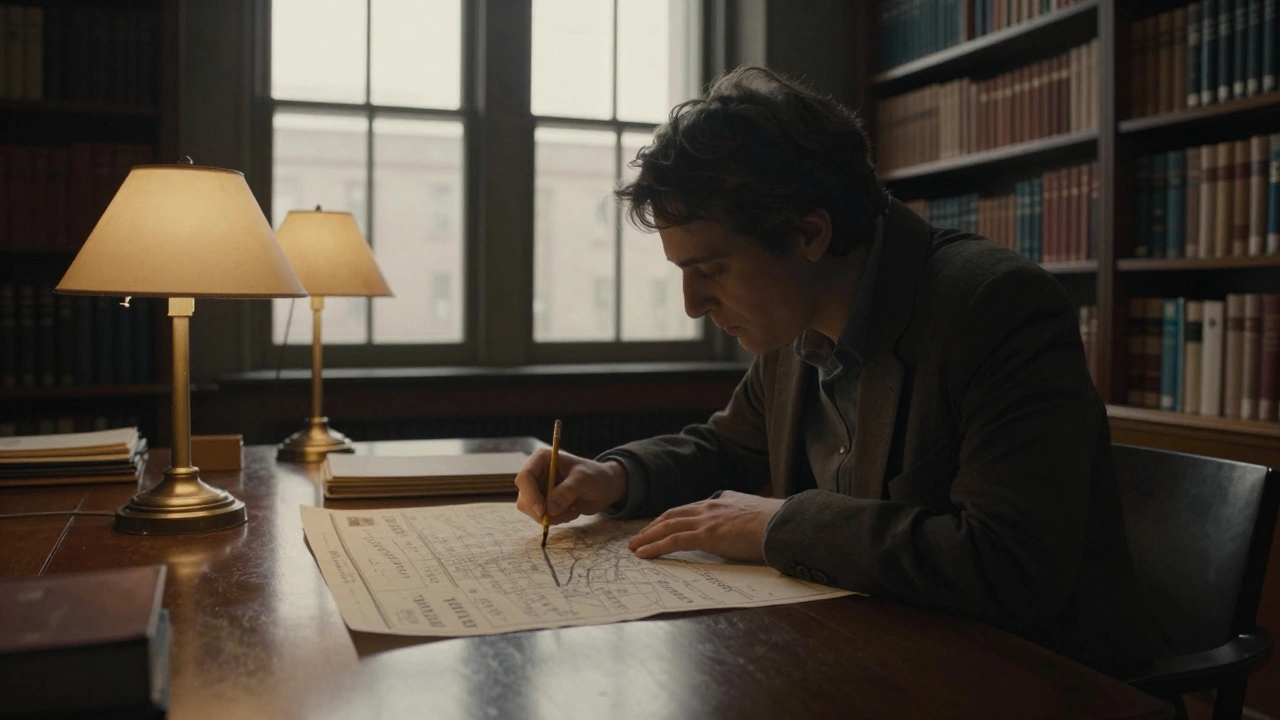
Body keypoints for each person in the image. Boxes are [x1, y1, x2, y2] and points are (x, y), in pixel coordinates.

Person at [513, 65, 1164, 680]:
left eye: (710, 270)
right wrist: (613, 475)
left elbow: (1009, 566)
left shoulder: (995, 309)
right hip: (869, 658)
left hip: (1030, 681)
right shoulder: (791, 314)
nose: (692, 306)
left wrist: (778, 525)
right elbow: (728, 450)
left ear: (810, 233)